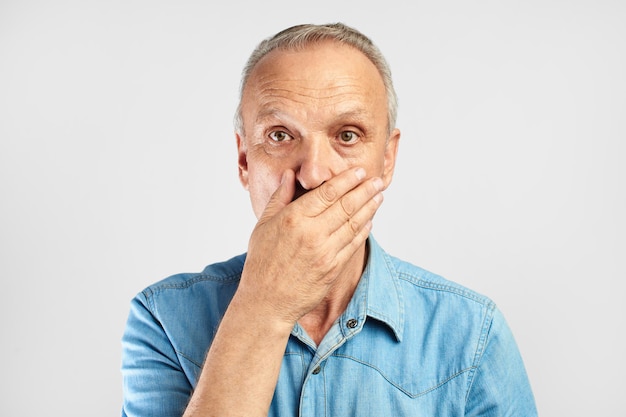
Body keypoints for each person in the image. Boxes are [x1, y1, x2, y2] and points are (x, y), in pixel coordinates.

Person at [121, 23, 537, 417]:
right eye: (280, 135)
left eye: (348, 135)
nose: (314, 173)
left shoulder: (472, 334)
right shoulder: (164, 319)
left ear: (387, 159)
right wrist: (265, 306)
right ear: (244, 160)